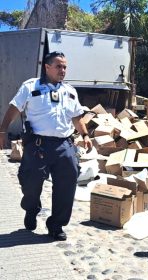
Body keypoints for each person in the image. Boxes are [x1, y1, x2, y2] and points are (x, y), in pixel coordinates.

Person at [0, 51, 92, 241]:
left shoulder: (70, 91)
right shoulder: (31, 86)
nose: (63, 70)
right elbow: (14, 108)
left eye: (65, 66)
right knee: (30, 183)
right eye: (58, 66)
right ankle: (31, 209)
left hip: (64, 145)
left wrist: (84, 134)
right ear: (47, 67)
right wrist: (2, 131)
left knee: (67, 185)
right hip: (38, 145)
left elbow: (76, 117)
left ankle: (56, 225)